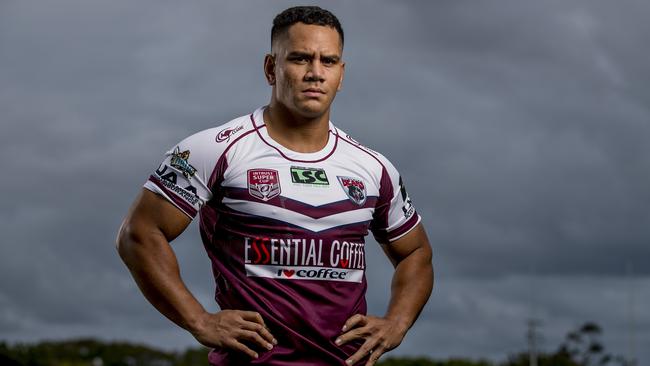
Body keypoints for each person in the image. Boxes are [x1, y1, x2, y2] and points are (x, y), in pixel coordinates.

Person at [116, 6, 433, 366]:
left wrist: (397, 323)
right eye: (300, 59)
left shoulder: (374, 168)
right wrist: (198, 319)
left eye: (328, 61)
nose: (315, 73)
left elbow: (416, 253)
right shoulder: (214, 149)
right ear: (271, 68)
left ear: (341, 75)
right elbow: (138, 234)